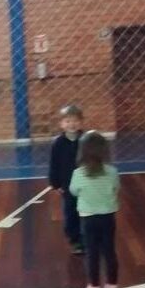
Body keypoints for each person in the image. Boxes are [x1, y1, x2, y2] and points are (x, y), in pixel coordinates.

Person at [69, 131, 119, 288]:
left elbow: (74, 191)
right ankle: (112, 284)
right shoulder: (112, 171)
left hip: (88, 218)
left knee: (91, 252)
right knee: (109, 250)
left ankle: (94, 286)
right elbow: (116, 188)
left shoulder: (78, 173)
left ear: (82, 151)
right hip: (108, 217)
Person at [48, 105, 85, 255]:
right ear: (61, 124)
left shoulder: (85, 140)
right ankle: (75, 240)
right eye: (68, 121)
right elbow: (54, 164)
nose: (72, 124)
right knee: (70, 212)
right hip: (68, 185)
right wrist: (55, 183)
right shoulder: (58, 143)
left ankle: (87, 237)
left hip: (85, 184)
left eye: (75, 121)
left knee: (87, 212)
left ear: (81, 122)